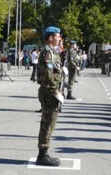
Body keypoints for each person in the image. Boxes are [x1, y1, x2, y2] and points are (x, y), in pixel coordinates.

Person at [36, 26, 63, 167]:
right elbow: (48, 75)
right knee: (47, 123)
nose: (59, 38)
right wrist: (56, 92)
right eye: (57, 36)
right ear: (51, 37)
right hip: (49, 93)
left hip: (50, 91)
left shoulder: (52, 51)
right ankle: (42, 155)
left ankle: (44, 152)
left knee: (49, 122)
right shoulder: (48, 52)